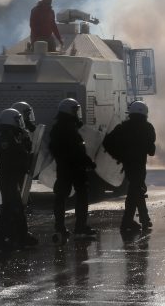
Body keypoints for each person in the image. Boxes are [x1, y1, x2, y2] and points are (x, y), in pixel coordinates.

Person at [103, 100, 156, 232]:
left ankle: (139, 220)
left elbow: (107, 142)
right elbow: (151, 151)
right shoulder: (148, 128)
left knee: (136, 191)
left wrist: (119, 156)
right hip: (139, 164)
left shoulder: (123, 127)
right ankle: (133, 221)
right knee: (136, 191)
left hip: (128, 164)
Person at [50, 98, 96, 240]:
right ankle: (80, 226)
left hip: (64, 168)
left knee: (61, 197)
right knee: (81, 195)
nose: (77, 114)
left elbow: (54, 149)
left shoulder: (58, 128)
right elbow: (76, 151)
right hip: (75, 168)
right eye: (75, 111)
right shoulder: (69, 129)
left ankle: (60, 227)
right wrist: (88, 162)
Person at [0, 108, 38, 251]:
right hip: (7, 178)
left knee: (15, 208)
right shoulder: (6, 138)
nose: (20, 123)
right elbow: (15, 157)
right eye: (18, 120)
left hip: (11, 177)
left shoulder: (13, 136)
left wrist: (25, 140)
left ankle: (19, 236)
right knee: (11, 208)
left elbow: (24, 151)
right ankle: (0, 239)